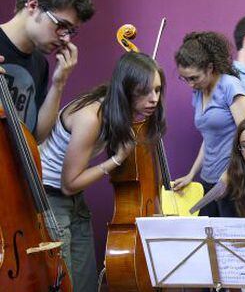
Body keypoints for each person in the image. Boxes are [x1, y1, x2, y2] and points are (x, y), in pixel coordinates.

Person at [39, 52, 166, 291]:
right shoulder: (92, 117)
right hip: (50, 199)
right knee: (63, 284)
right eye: (145, 91)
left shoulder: (117, 108)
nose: (154, 99)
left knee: (86, 284)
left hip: (73, 200)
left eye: (158, 90)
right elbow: (69, 183)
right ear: (126, 89)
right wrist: (117, 159)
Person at [0, 0, 94, 142]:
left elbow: (36, 137)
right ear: (33, 5)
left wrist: (59, 83)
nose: (66, 38)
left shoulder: (40, 64)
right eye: (62, 25)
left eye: (70, 31)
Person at [173, 31, 245, 217]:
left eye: (194, 78)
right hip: (208, 179)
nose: (190, 85)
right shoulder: (199, 93)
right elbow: (209, 139)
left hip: (231, 181)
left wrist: (230, 174)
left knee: (229, 241)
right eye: (185, 79)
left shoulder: (230, 86)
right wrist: (192, 174)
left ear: (209, 68)